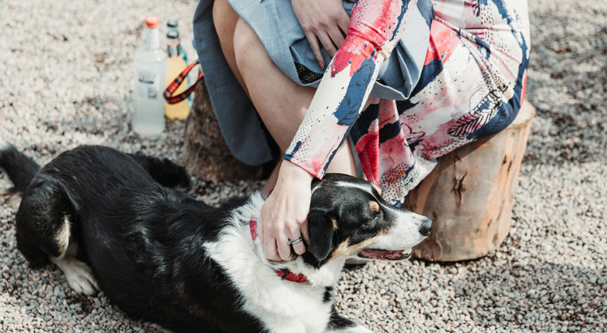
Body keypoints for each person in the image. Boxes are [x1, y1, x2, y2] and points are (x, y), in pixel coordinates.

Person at [193, 0, 530, 262]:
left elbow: (369, 39)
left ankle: (347, 209)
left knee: (256, 39)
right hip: (405, 18)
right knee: (229, 7)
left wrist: (297, 174)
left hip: (467, 54)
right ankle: (301, 158)